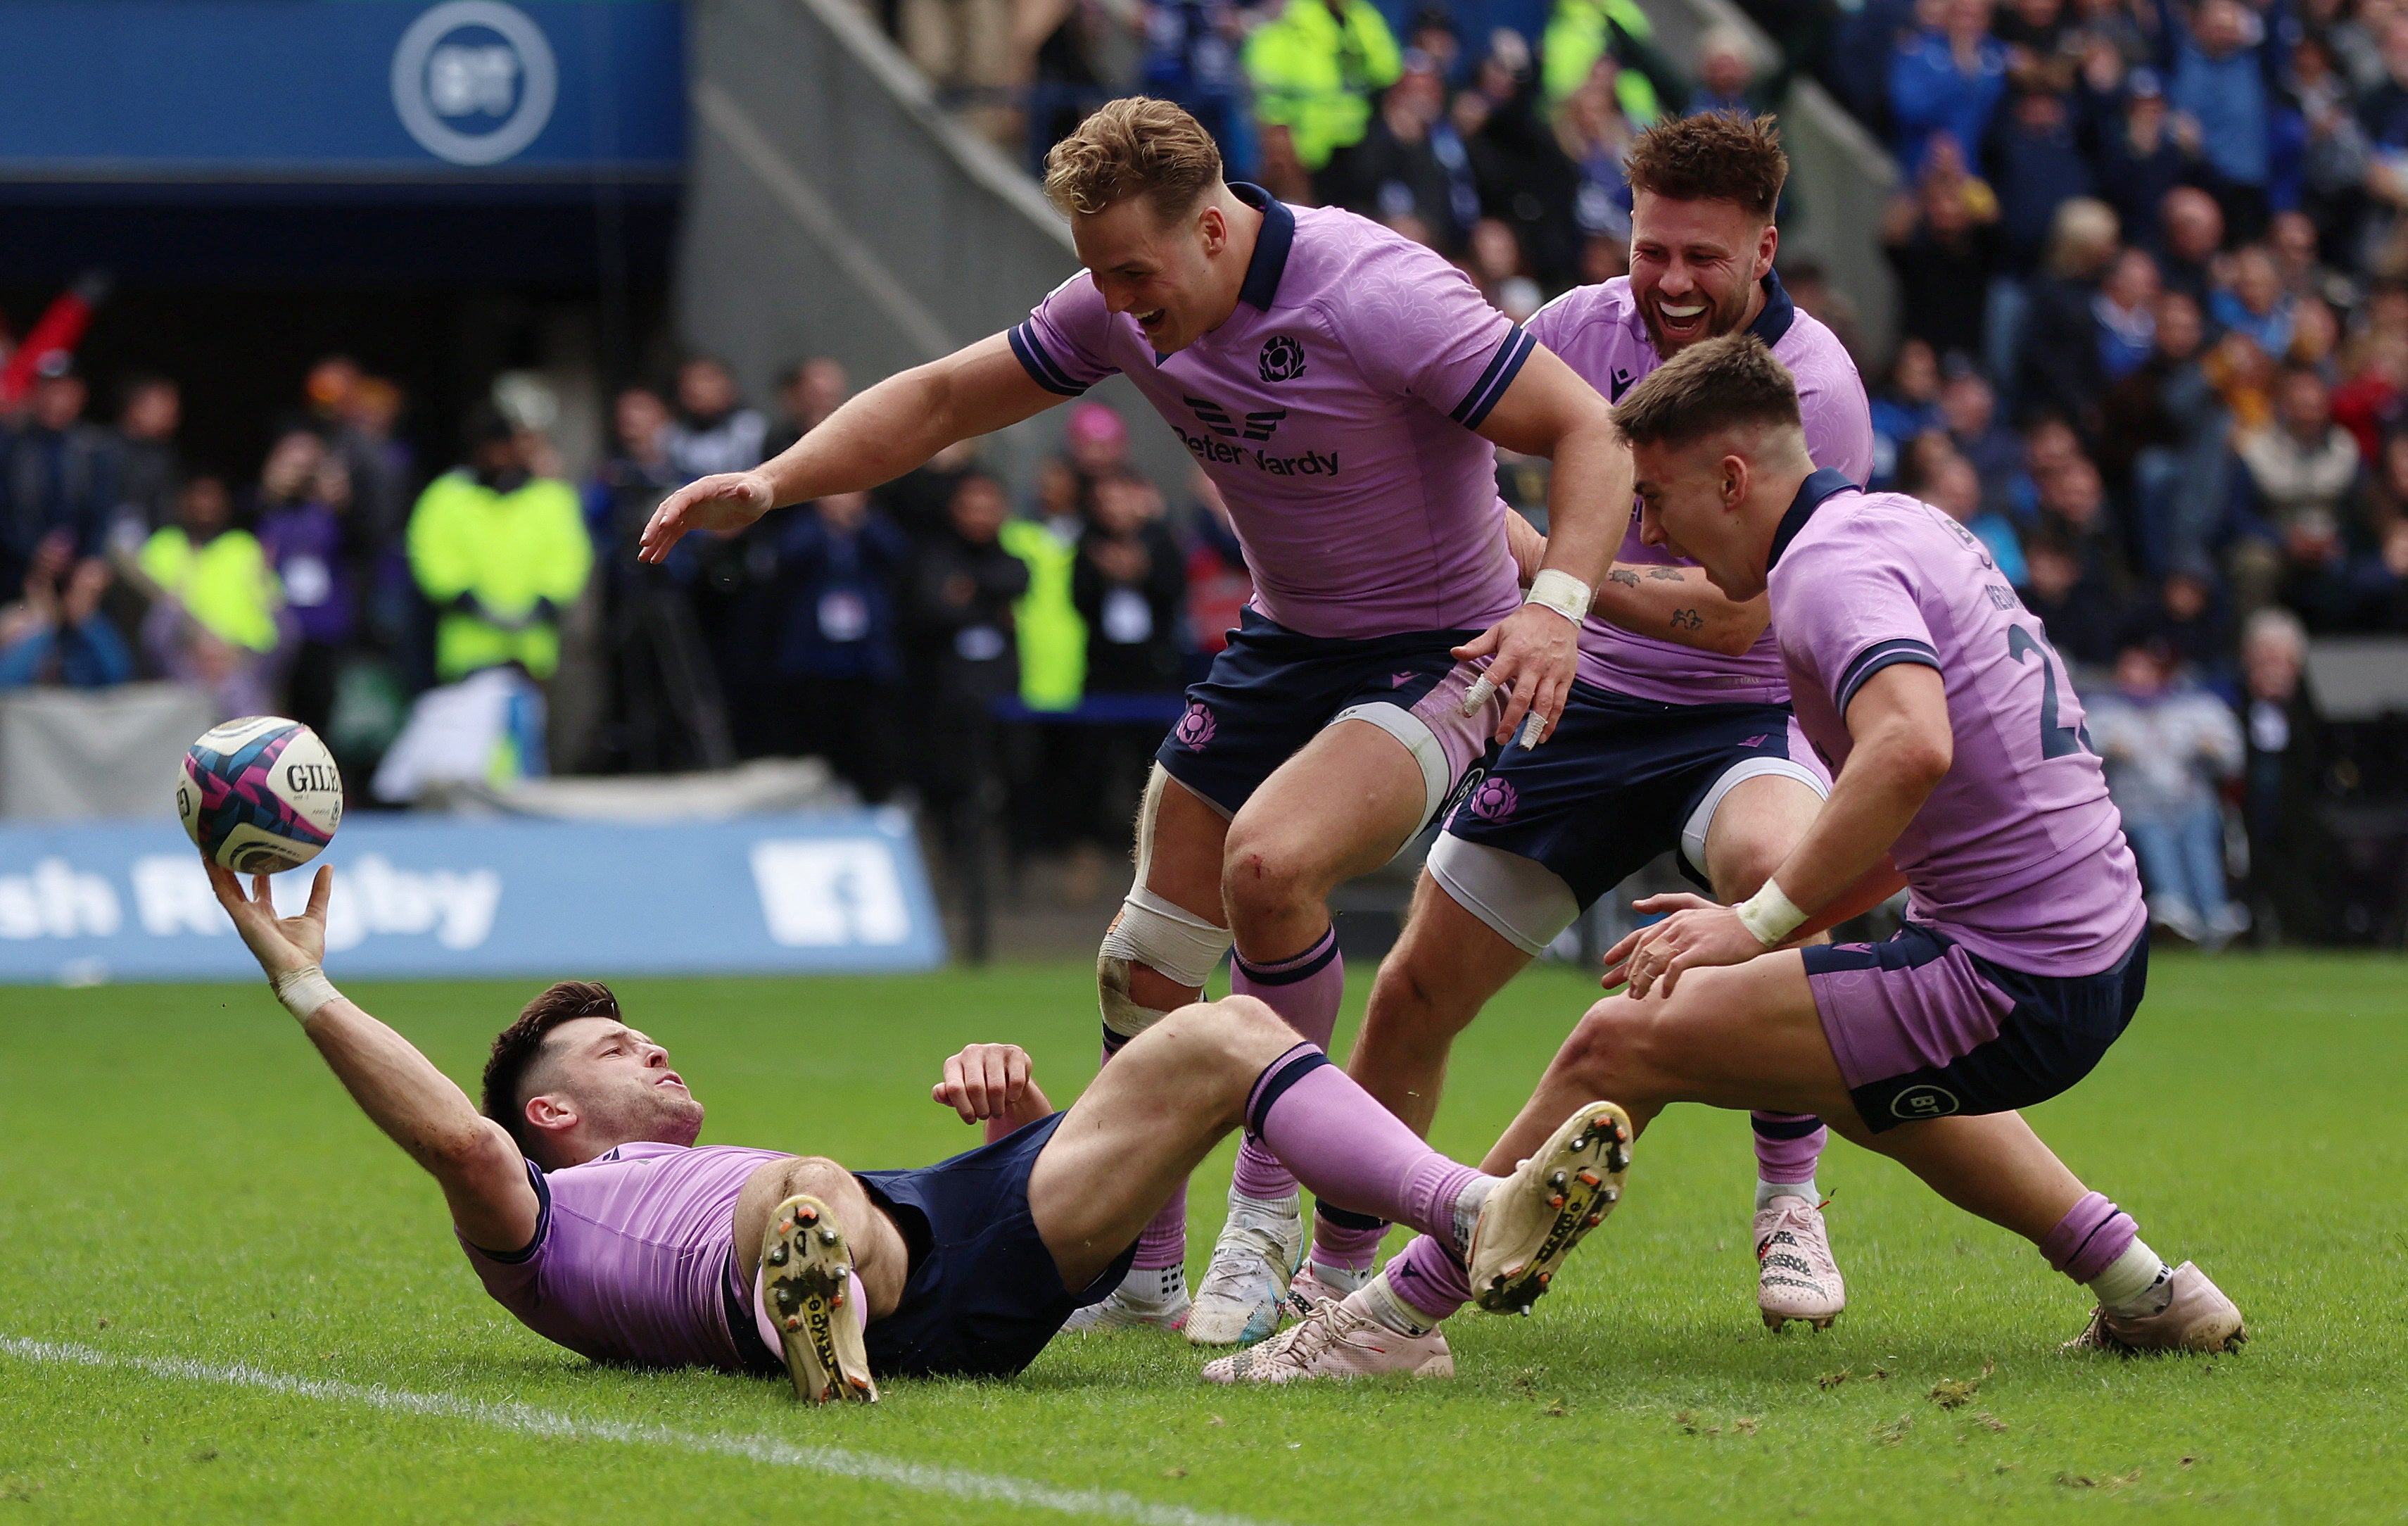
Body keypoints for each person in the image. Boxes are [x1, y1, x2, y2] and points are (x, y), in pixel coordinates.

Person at [640, 98, 1629, 1339]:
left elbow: (1583, 427)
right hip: (1286, 642)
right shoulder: (1118, 299)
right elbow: (948, 398)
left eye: (1133, 272)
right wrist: (776, 479)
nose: (1114, 299)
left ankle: (1263, 1218)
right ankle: (1139, 1267)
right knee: (1141, 957)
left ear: (1214, 226)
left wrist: (1557, 609)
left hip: (1441, 645)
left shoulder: (1374, 290)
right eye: (1096, 271)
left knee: (1271, 865)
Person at [1228, 333, 2244, 1384]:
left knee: (1618, 1042)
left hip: (2010, 977)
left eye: (1658, 500)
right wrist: (1767, 917)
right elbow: (1938, 795)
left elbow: (1910, 748)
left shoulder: (1823, 571)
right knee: (1850, 1080)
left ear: (1732, 476)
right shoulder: (1900, 524)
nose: (1651, 530)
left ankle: (1390, 1322)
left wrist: (1752, 924)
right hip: (2091, 949)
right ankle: (2146, 1292)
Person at [1251, 111, 1875, 1370]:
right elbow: (1447, 461)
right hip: (1572, 705)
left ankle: (1788, 1201)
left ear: (1764, 248)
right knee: (1417, 986)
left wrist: (1566, 586)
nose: (1674, 282)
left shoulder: (1820, 388)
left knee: (1781, 867)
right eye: (1654, 251)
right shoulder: (1573, 330)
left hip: (1739, 709)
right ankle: (1334, 1270)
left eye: (1704, 257)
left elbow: (1752, 612)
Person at [200, 858, 1635, 1401]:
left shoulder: (702, 1162)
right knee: (805, 1189)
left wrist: (1027, 1131)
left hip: (935, 1222)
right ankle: (814, 1312)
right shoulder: (540, 1224)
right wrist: (307, 983)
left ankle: (1472, 1209)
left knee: (1226, 1034)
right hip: (811, 1244)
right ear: (551, 1114)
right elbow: (455, 1141)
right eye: (611, 1048)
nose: (651, 1042)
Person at [407, 405, 593, 688]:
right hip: (468, 653)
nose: (499, 458)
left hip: (530, 654)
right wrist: (471, 603)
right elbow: (431, 556)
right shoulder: (447, 496)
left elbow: (569, 559)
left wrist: (540, 607)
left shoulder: (552, 498)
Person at [2085, 633, 2245, 945]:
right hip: (2136, 802)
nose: (2138, 676)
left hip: (2190, 798)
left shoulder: (2195, 705)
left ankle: (2214, 912)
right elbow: (2079, 755)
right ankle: (2174, 906)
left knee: (2199, 830)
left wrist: (2211, 749)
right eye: (2131, 667)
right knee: (2153, 831)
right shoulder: (2102, 708)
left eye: (2147, 668)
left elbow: (2233, 757)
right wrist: (2107, 750)